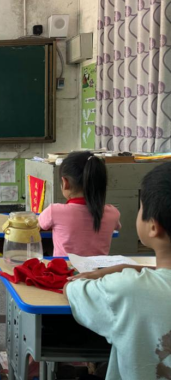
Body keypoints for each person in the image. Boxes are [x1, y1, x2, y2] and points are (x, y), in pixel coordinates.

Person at [65, 162, 171, 380]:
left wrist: (109, 274)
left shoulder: (127, 288)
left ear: (153, 226)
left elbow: (72, 288)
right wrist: (130, 267)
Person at [38, 151, 121, 256]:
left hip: (66, 266)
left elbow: (36, 225)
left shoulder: (54, 211)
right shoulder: (113, 213)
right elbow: (117, 227)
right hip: (99, 267)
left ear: (65, 183)